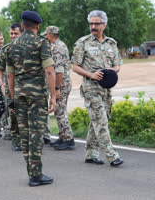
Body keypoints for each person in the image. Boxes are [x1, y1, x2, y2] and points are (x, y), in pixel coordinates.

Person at [6, 10, 56, 186]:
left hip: (19, 94)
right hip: (36, 95)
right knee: (36, 132)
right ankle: (36, 175)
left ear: (21, 26)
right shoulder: (41, 43)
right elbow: (49, 71)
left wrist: (13, 97)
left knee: (25, 133)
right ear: (37, 26)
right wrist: (54, 96)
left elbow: (10, 76)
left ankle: (31, 172)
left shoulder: (11, 46)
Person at [72, 10, 124, 167]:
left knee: (99, 119)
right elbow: (74, 66)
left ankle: (91, 153)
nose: (93, 26)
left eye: (97, 23)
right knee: (101, 122)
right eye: (91, 24)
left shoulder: (111, 43)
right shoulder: (82, 43)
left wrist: (111, 72)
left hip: (106, 88)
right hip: (91, 88)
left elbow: (117, 65)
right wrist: (91, 74)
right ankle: (111, 155)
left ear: (104, 24)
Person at [43, 26, 75, 150]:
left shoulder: (57, 48)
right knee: (59, 110)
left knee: (60, 111)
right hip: (61, 83)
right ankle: (63, 137)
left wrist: (56, 89)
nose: (45, 37)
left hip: (61, 83)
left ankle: (68, 139)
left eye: (46, 35)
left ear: (51, 35)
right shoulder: (60, 45)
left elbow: (59, 71)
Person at [0, 22, 23, 151]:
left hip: (25, 87)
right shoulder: (6, 49)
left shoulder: (28, 48)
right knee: (13, 114)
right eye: (11, 34)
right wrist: (2, 84)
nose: (13, 36)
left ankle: (26, 139)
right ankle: (16, 140)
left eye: (15, 33)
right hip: (11, 87)